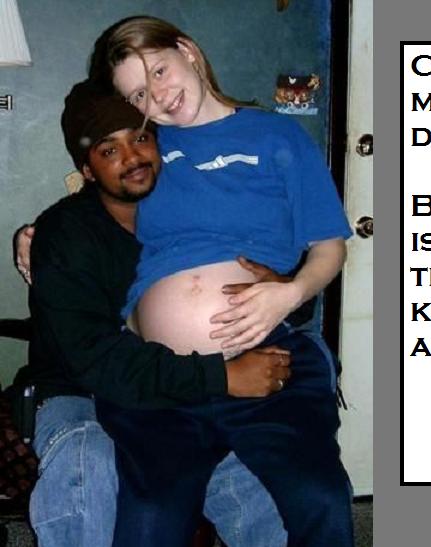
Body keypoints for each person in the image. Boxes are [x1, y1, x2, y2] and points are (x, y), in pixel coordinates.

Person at [84, 15, 354, 547]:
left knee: (320, 499)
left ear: (188, 51)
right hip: (161, 374)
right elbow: (92, 209)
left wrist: (289, 293)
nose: (158, 97)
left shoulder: (277, 136)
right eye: (138, 95)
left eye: (159, 71)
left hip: (267, 357)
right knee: (149, 522)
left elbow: (330, 247)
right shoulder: (145, 151)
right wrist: (36, 236)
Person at [15, 80, 300, 547]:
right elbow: (95, 358)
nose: (132, 157)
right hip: (80, 391)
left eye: (141, 138)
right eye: (109, 149)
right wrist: (222, 377)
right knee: (87, 465)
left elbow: (280, 285)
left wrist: (284, 291)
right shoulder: (66, 233)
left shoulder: (199, 210)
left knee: (266, 481)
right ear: (87, 170)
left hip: (184, 391)